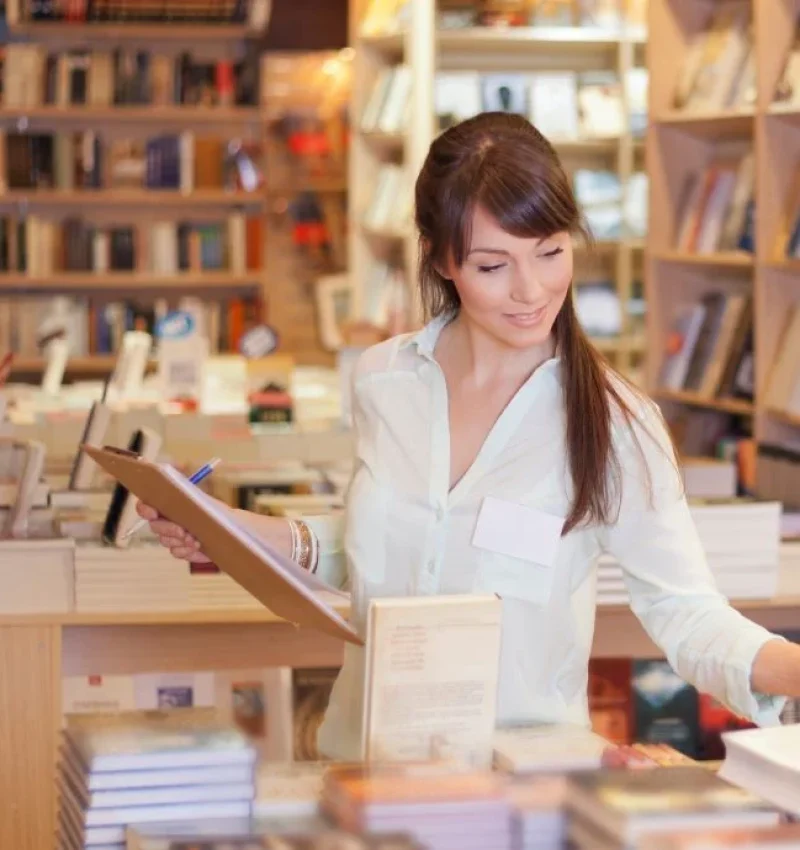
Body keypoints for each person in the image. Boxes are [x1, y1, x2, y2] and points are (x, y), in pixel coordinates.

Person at [137, 112, 800, 761]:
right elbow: (390, 549)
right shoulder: (383, 379)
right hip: (362, 772)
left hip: (521, 792)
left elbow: (689, 615)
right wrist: (225, 528)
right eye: (493, 265)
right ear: (441, 259)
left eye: (550, 252)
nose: (531, 290)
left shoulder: (618, 424)